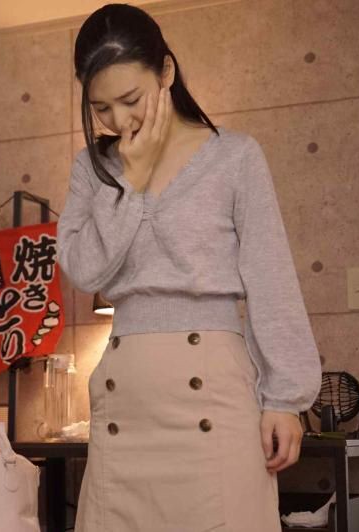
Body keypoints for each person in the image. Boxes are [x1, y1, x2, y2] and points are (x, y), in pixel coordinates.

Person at [57, 4, 321, 531]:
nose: (119, 121)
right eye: (101, 107)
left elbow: (271, 277)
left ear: (166, 72)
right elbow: (83, 271)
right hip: (128, 398)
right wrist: (131, 180)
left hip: (215, 393)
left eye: (130, 100)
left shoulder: (235, 157)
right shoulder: (92, 168)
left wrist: (285, 399)